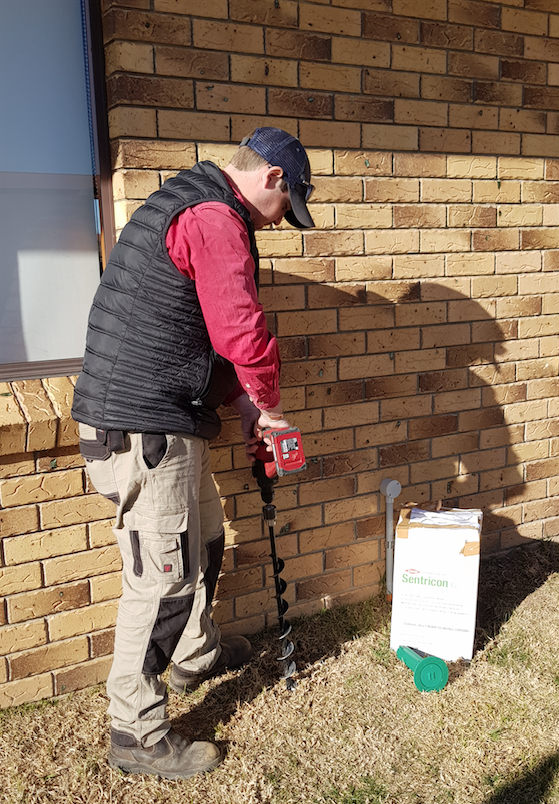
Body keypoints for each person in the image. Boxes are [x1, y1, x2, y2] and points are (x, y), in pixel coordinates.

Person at [71, 127, 315, 780]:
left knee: (202, 541)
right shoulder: (215, 217)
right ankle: (137, 732)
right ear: (273, 180)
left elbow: (205, 328)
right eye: (284, 212)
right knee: (163, 583)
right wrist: (269, 405)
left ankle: (194, 658)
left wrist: (239, 407)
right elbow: (241, 330)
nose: (276, 226)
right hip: (140, 431)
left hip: (165, 424)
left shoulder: (197, 203)